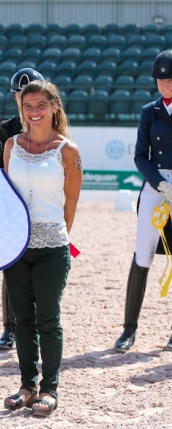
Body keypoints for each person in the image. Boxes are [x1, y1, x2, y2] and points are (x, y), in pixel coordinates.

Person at [2, 80, 82, 417]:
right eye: (28, 106)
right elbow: (5, 195)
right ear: (22, 109)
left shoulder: (68, 151)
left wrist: (53, 236)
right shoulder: (10, 145)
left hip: (52, 247)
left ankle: (50, 388)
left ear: (54, 108)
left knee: (48, 318)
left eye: (41, 106)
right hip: (16, 248)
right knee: (22, 321)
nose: (34, 112)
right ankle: (27, 384)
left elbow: (72, 203)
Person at [114, 50, 172, 353]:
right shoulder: (149, 112)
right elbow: (140, 155)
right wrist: (160, 182)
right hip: (155, 185)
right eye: (161, 79)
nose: (165, 83)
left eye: (169, 78)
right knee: (142, 254)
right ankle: (129, 329)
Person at [0, 68, 45, 350]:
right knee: (12, 267)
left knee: (42, 265)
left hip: (43, 205)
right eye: (18, 94)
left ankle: (37, 323)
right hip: (13, 205)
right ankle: (9, 326)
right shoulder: (5, 129)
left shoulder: (52, 127)